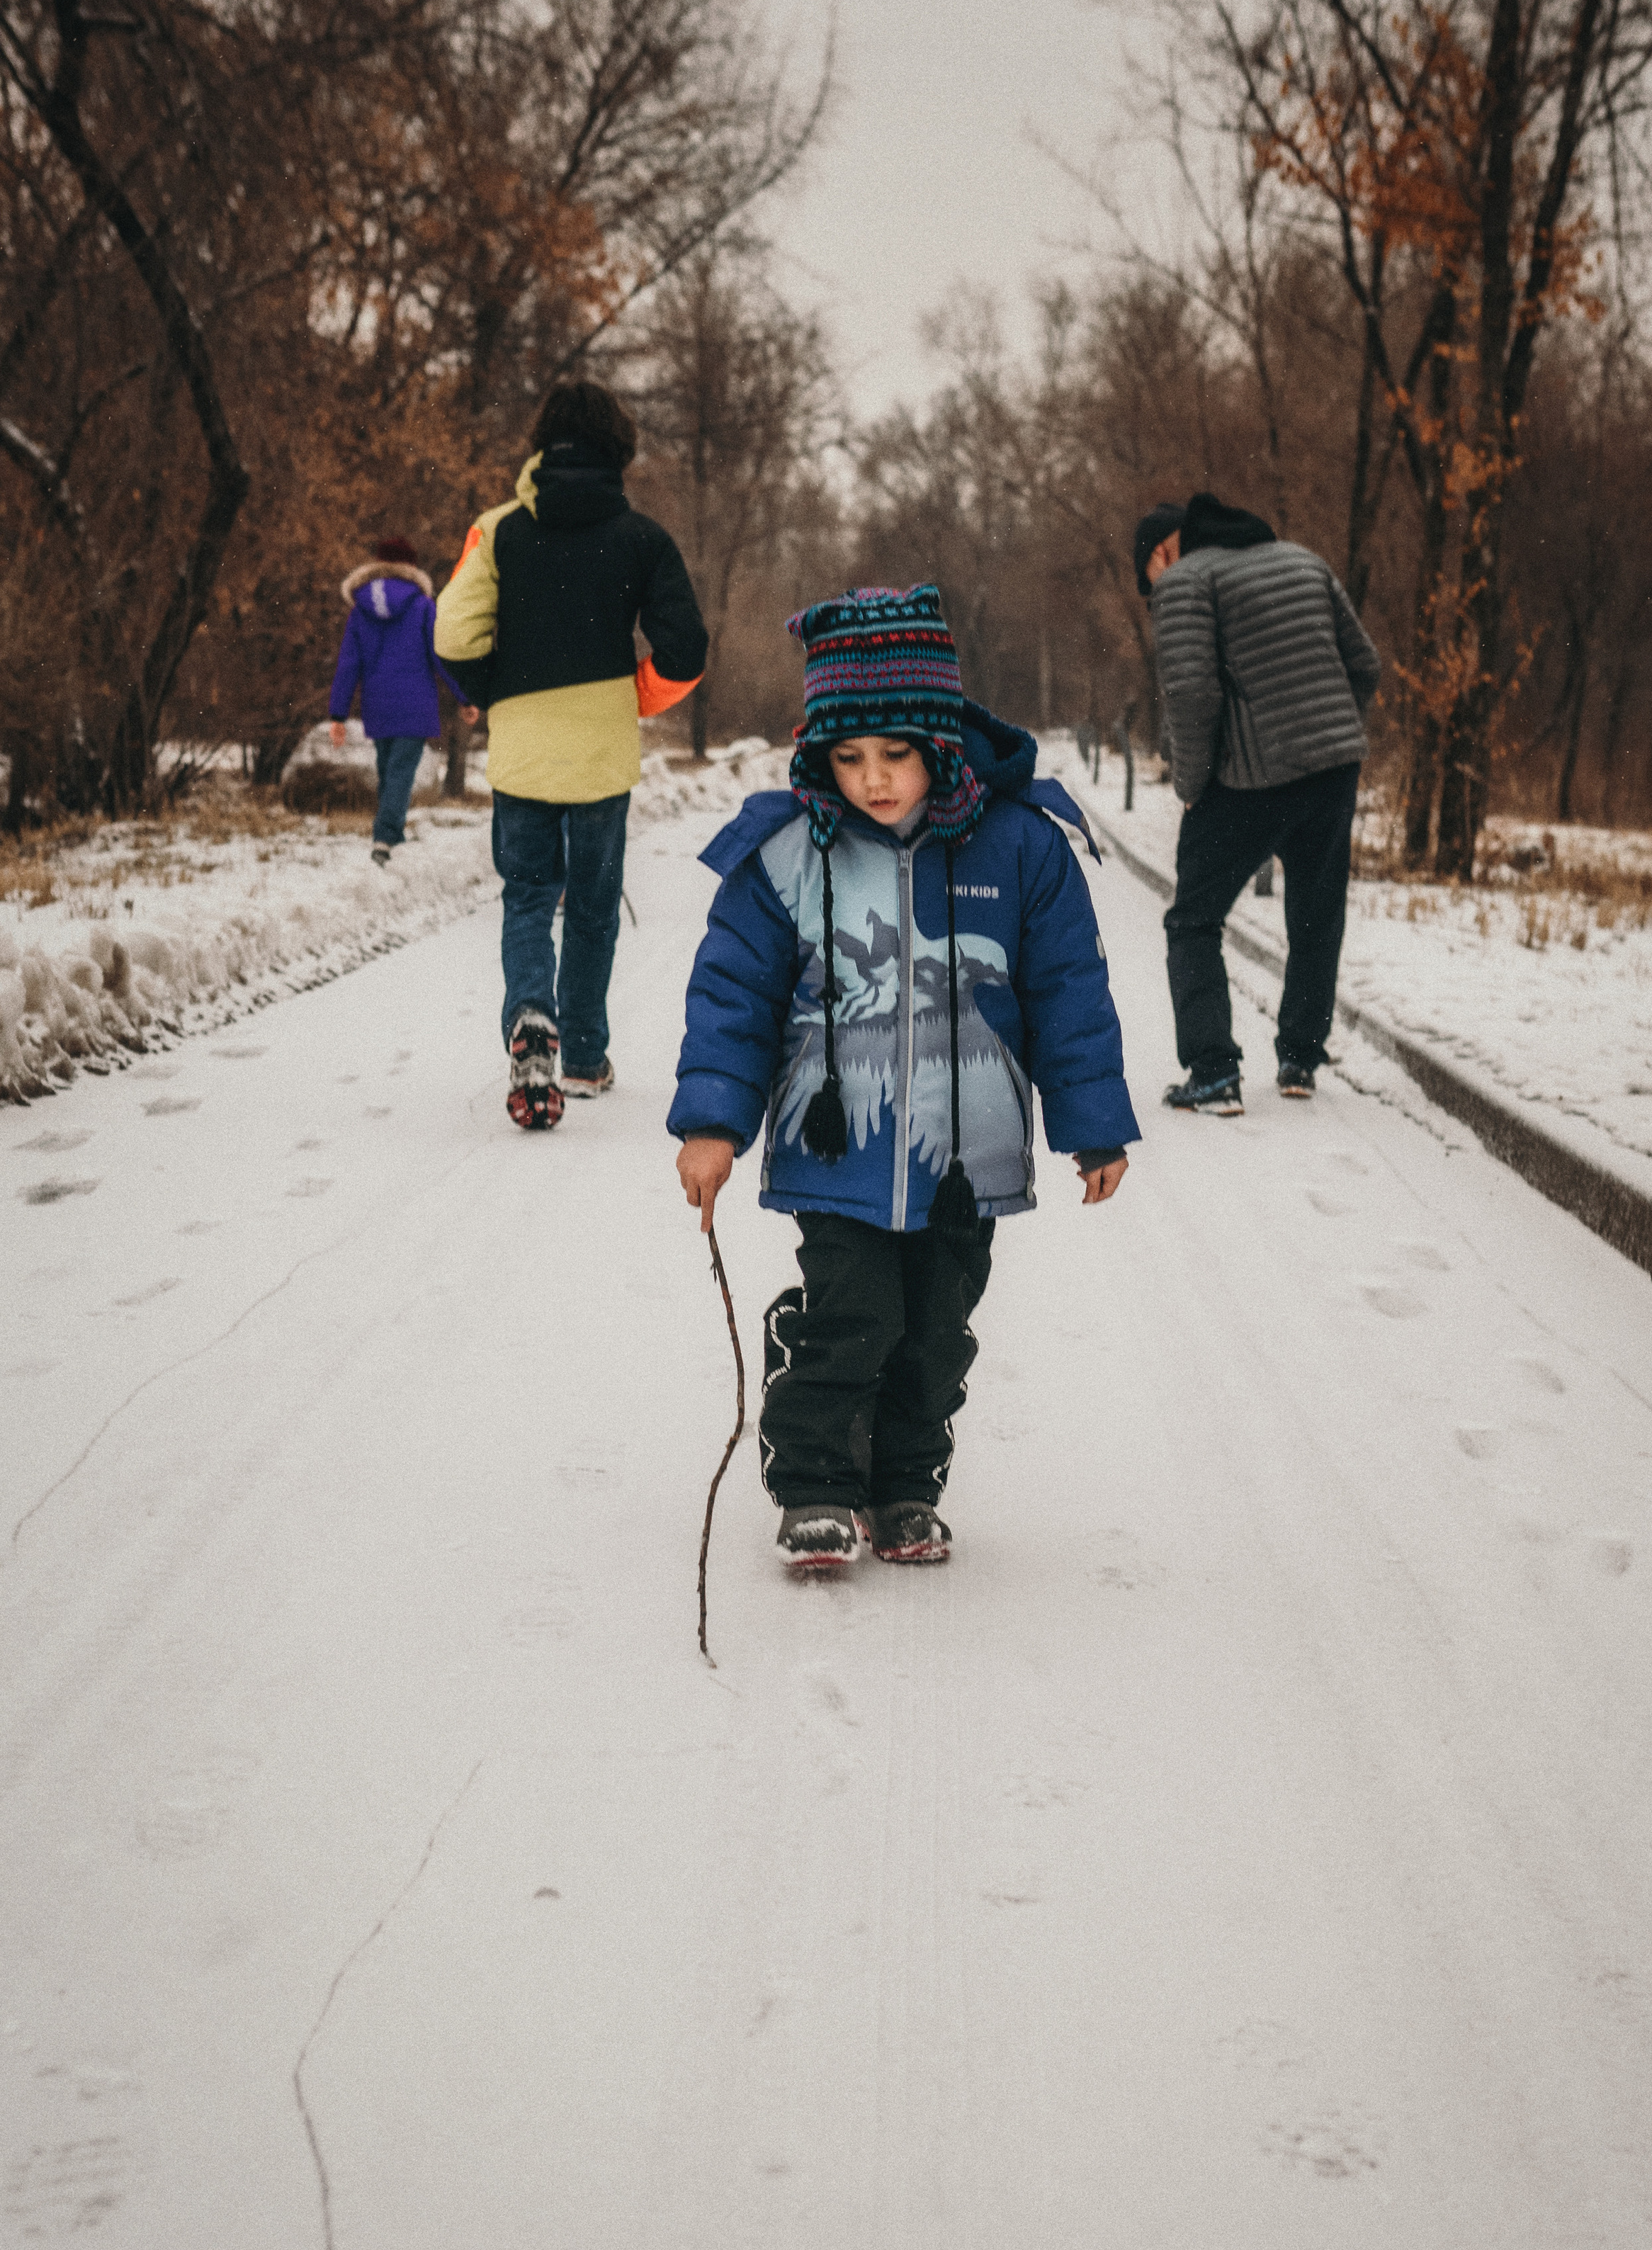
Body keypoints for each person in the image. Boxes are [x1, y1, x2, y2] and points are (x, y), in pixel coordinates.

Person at [668, 583, 1138, 1572]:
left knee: (935, 1331)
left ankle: (907, 1483)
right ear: (818, 755)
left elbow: (1069, 992)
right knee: (855, 1314)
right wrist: (714, 1121)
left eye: (897, 755)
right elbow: (734, 993)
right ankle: (817, 1484)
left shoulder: (1020, 848)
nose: (875, 781)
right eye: (849, 758)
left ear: (942, 743)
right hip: (837, 1147)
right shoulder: (790, 850)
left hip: (968, 1153)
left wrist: (1093, 1124)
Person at [436, 380, 708, 1128]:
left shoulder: (497, 532)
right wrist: (635, 697)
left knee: (527, 894)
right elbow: (686, 651)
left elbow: (451, 635)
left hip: (522, 746)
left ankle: (530, 1014)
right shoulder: (643, 539)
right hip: (601, 752)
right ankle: (584, 1057)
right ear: (617, 451)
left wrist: (490, 691)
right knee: (590, 907)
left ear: (541, 446)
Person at [1140, 490, 1380, 1114]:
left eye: (1150, 572)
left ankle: (1214, 1069)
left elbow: (1192, 696)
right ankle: (1300, 1056)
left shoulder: (1187, 581)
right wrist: (1328, 735)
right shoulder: (1302, 560)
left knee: (1192, 919)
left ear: (1167, 549)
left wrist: (1191, 786)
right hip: (1333, 771)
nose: (1154, 588)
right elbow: (1365, 664)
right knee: (1316, 914)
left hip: (1249, 784)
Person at [328, 537, 472, 866]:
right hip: (414, 704)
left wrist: (338, 713)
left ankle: (389, 834)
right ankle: (385, 838)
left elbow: (349, 663)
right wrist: (465, 696)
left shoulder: (360, 610)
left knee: (388, 771)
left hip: (377, 705)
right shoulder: (422, 606)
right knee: (400, 774)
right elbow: (441, 656)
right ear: (410, 567)